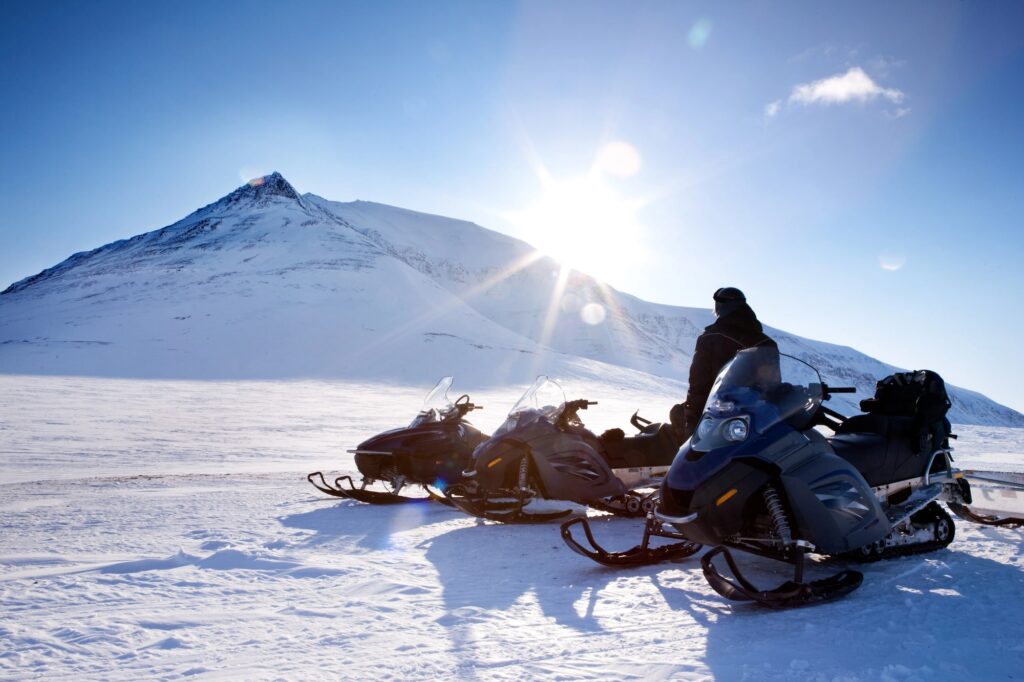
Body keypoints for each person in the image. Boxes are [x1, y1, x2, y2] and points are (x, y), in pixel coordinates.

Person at [670, 287, 777, 440]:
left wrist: (692, 416)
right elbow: (772, 384)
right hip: (755, 420)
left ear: (720, 307)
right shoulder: (766, 342)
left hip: (717, 415)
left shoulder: (710, 337)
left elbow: (699, 382)